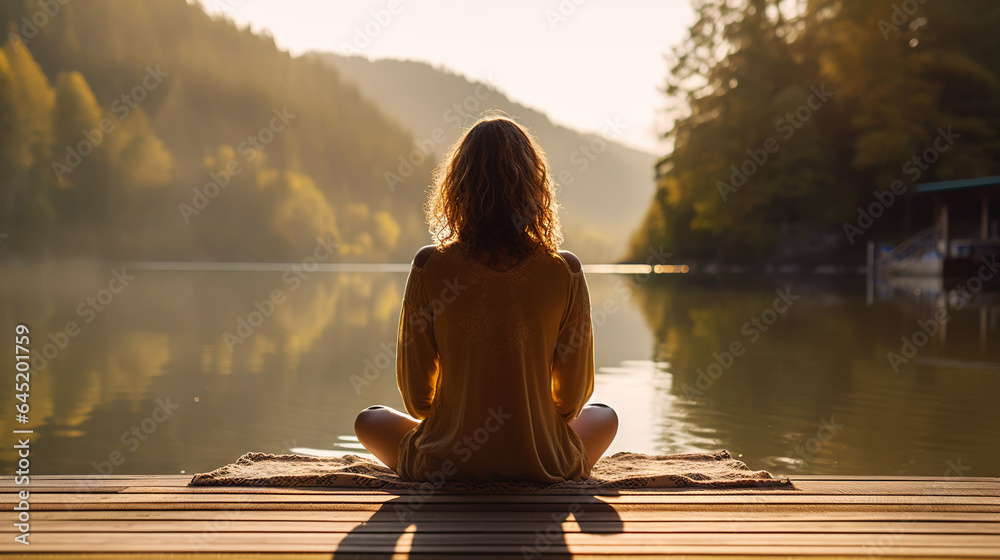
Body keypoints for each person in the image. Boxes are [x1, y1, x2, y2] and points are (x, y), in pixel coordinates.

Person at [354, 114, 618, 482]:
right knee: (605, 414)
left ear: (457, 188)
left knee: (369, 419)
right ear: (533, 188)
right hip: (540, 463)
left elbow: (417, 401)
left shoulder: (429, 266)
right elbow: (571, 403)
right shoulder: (564, 270)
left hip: (445, 465)